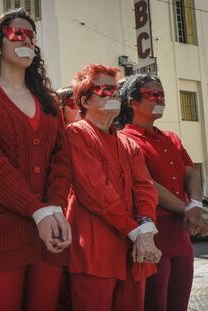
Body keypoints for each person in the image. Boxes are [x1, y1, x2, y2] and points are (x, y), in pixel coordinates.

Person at [0, 9, 72, 311]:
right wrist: (38, 211)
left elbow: (62, 160)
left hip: (50, 235)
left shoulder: (49, 101)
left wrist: (55, 207)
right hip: (0, 233)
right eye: (17, 33)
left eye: (31, 36)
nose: (26, 40)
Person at [66, 64, 161, 311]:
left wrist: (147, 228)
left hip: (134, 251)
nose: (115, 95)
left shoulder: (128, 144)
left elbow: (145, 188)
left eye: (116, 90)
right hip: (95, 254)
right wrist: (137, 232)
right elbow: (96, 192)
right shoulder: (76, 134)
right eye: (105, 90)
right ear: (85, 101)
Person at [118, 73, 207, 311]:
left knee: (180, 302)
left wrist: (196, 205)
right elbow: (146, 184)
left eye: (162, 94)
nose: (161, 99)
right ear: (132, 102)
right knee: (155, 302)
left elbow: (190, 172)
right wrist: (189, 209)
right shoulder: (124, 139)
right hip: (153, 232)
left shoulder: (171, 138)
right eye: (152, 95)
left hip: (181, 231)